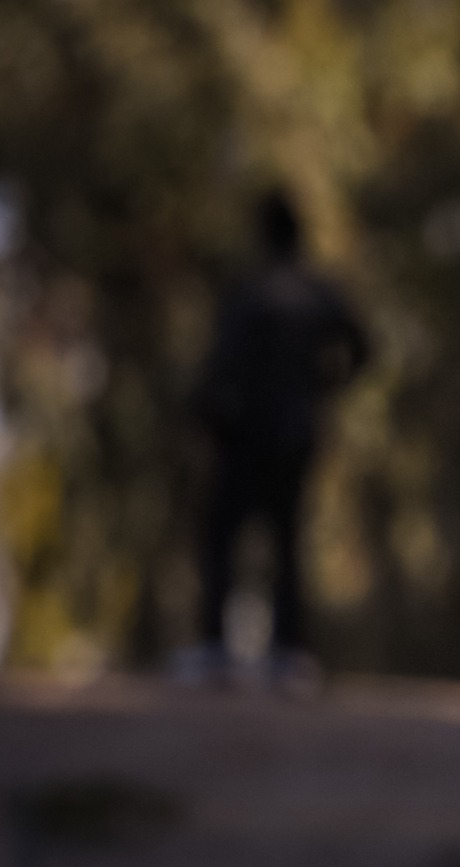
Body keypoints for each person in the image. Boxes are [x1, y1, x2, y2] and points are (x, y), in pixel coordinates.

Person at [185, 189, 369, 689]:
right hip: (296, 432)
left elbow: (221, 365)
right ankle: (289, 654)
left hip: (245, 433)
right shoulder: (318, 292)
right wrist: (323, 388)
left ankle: (215, 648)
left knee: (223, 534)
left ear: (262, 233)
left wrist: (207, 413)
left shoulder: (249, 291)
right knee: (287, 540)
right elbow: (362, 347)